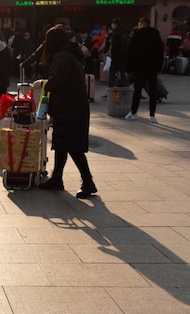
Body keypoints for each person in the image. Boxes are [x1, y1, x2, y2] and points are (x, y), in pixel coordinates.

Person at [35, 25, 96, 199]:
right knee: (61, 144)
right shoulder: (68, 54)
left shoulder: (63, 56)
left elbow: (58, 81)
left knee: (73, 147)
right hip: (70, 107)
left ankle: (88, 182)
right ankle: (57, 178)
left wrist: (44, 83)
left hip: (70, 108)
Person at [124, 18, 164, 124]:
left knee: (137, 91)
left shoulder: (137, 35)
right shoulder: (156, 35)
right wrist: (159, 67)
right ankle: (152, 115)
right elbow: (161, 52)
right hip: (152, 68)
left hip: (139, 68)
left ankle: (134, 112)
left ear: (141, 24)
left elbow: (131, 53)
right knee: (152, 91)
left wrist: (128, 69)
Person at [106, 18, 129, 88]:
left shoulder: (115, 34)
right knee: (123, 74)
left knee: (112, 74)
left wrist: (111, 55)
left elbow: (114, 48)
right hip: (123, 57)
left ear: (115, 25)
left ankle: (110, 90)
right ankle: (126, 89)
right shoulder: (124, 33)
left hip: (116, 58)